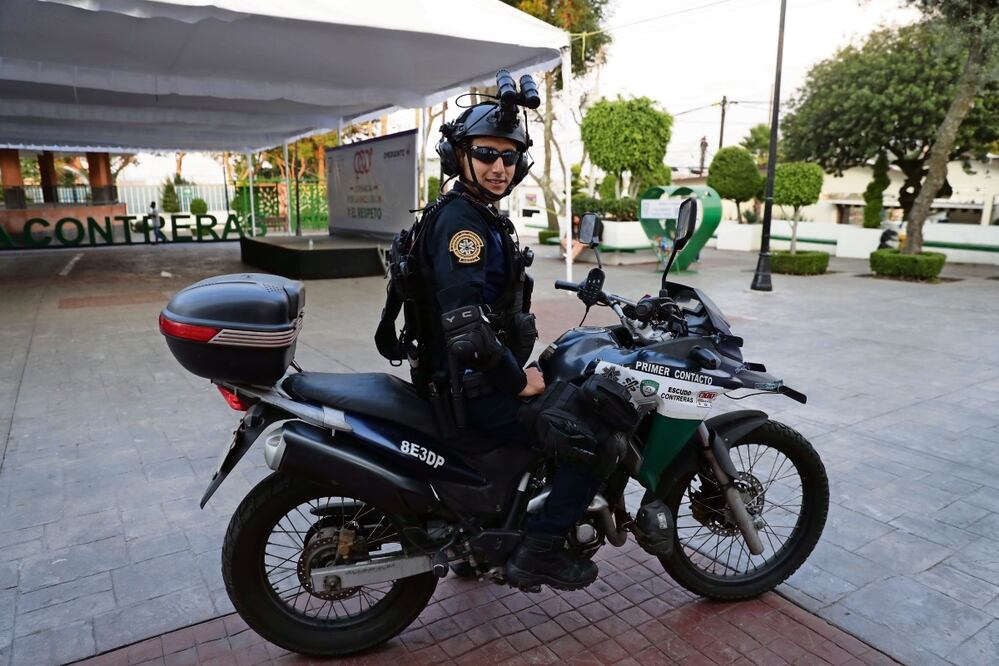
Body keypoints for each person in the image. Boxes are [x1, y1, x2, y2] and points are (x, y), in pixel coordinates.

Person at [387, 100, 602, 590]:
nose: (500, 167)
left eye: (510, 157)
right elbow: (468, 329)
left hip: (456, 381)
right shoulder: (465, 224)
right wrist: (515, 380)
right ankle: (541, 550)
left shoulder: (468, 211)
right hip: (475, 390)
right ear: (458, 156)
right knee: (590, 436)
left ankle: (486, 534)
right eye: (486, 153)